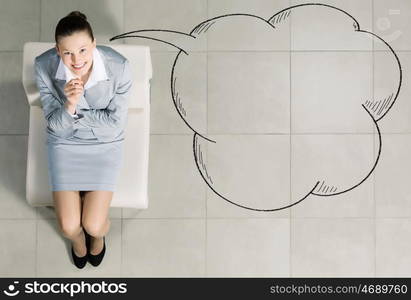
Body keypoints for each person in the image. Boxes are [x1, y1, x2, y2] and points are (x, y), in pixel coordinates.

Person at [33, 10, 132, 269]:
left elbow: (114, 125)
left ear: (94, 45)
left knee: (94, 224)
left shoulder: (119, 67)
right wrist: (70, 104)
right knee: (68, 226)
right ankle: (78, 242)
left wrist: (77, 113)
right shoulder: (43, 65)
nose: (76, 60)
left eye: (83, 50)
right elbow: (55, 124)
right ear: (57, 50)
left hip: (104, 144)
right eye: (67, 53)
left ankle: (96, 238)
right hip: (65, 144)